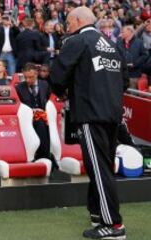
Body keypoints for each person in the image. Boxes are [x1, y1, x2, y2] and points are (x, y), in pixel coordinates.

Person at [50, 7, 128, 240]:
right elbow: (124, 81)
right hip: (112, 114)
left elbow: (57, 76)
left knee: (99, 168)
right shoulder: (111, 44)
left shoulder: (78, 40)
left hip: (90, 114)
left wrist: (62, 91)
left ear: (77, 20)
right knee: (102, 165)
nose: (67, 26)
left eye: (69, 21)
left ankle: (113, 225)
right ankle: (97, 212)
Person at [16, 63, 51, 161]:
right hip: (27, 119)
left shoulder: (45, 85)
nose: (27, 80)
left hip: (45, 116)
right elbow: (18, 107)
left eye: (30, 77)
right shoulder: (19, 88)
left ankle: (45, 156)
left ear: (36, 74)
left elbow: (49, 102)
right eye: (25, 77)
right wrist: (32, 111)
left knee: (46, 124)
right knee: (40, 124)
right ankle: (44, 157)